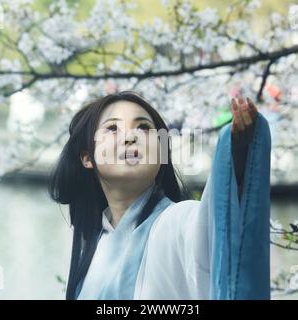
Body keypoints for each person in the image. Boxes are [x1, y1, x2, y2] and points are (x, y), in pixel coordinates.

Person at [48, 90, 271, 299]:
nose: (131, 137)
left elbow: (222, 232)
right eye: (113, 129)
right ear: (87, 157)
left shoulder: (178, 220)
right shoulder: (94, 246)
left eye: (144, 128)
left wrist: (240, 155)